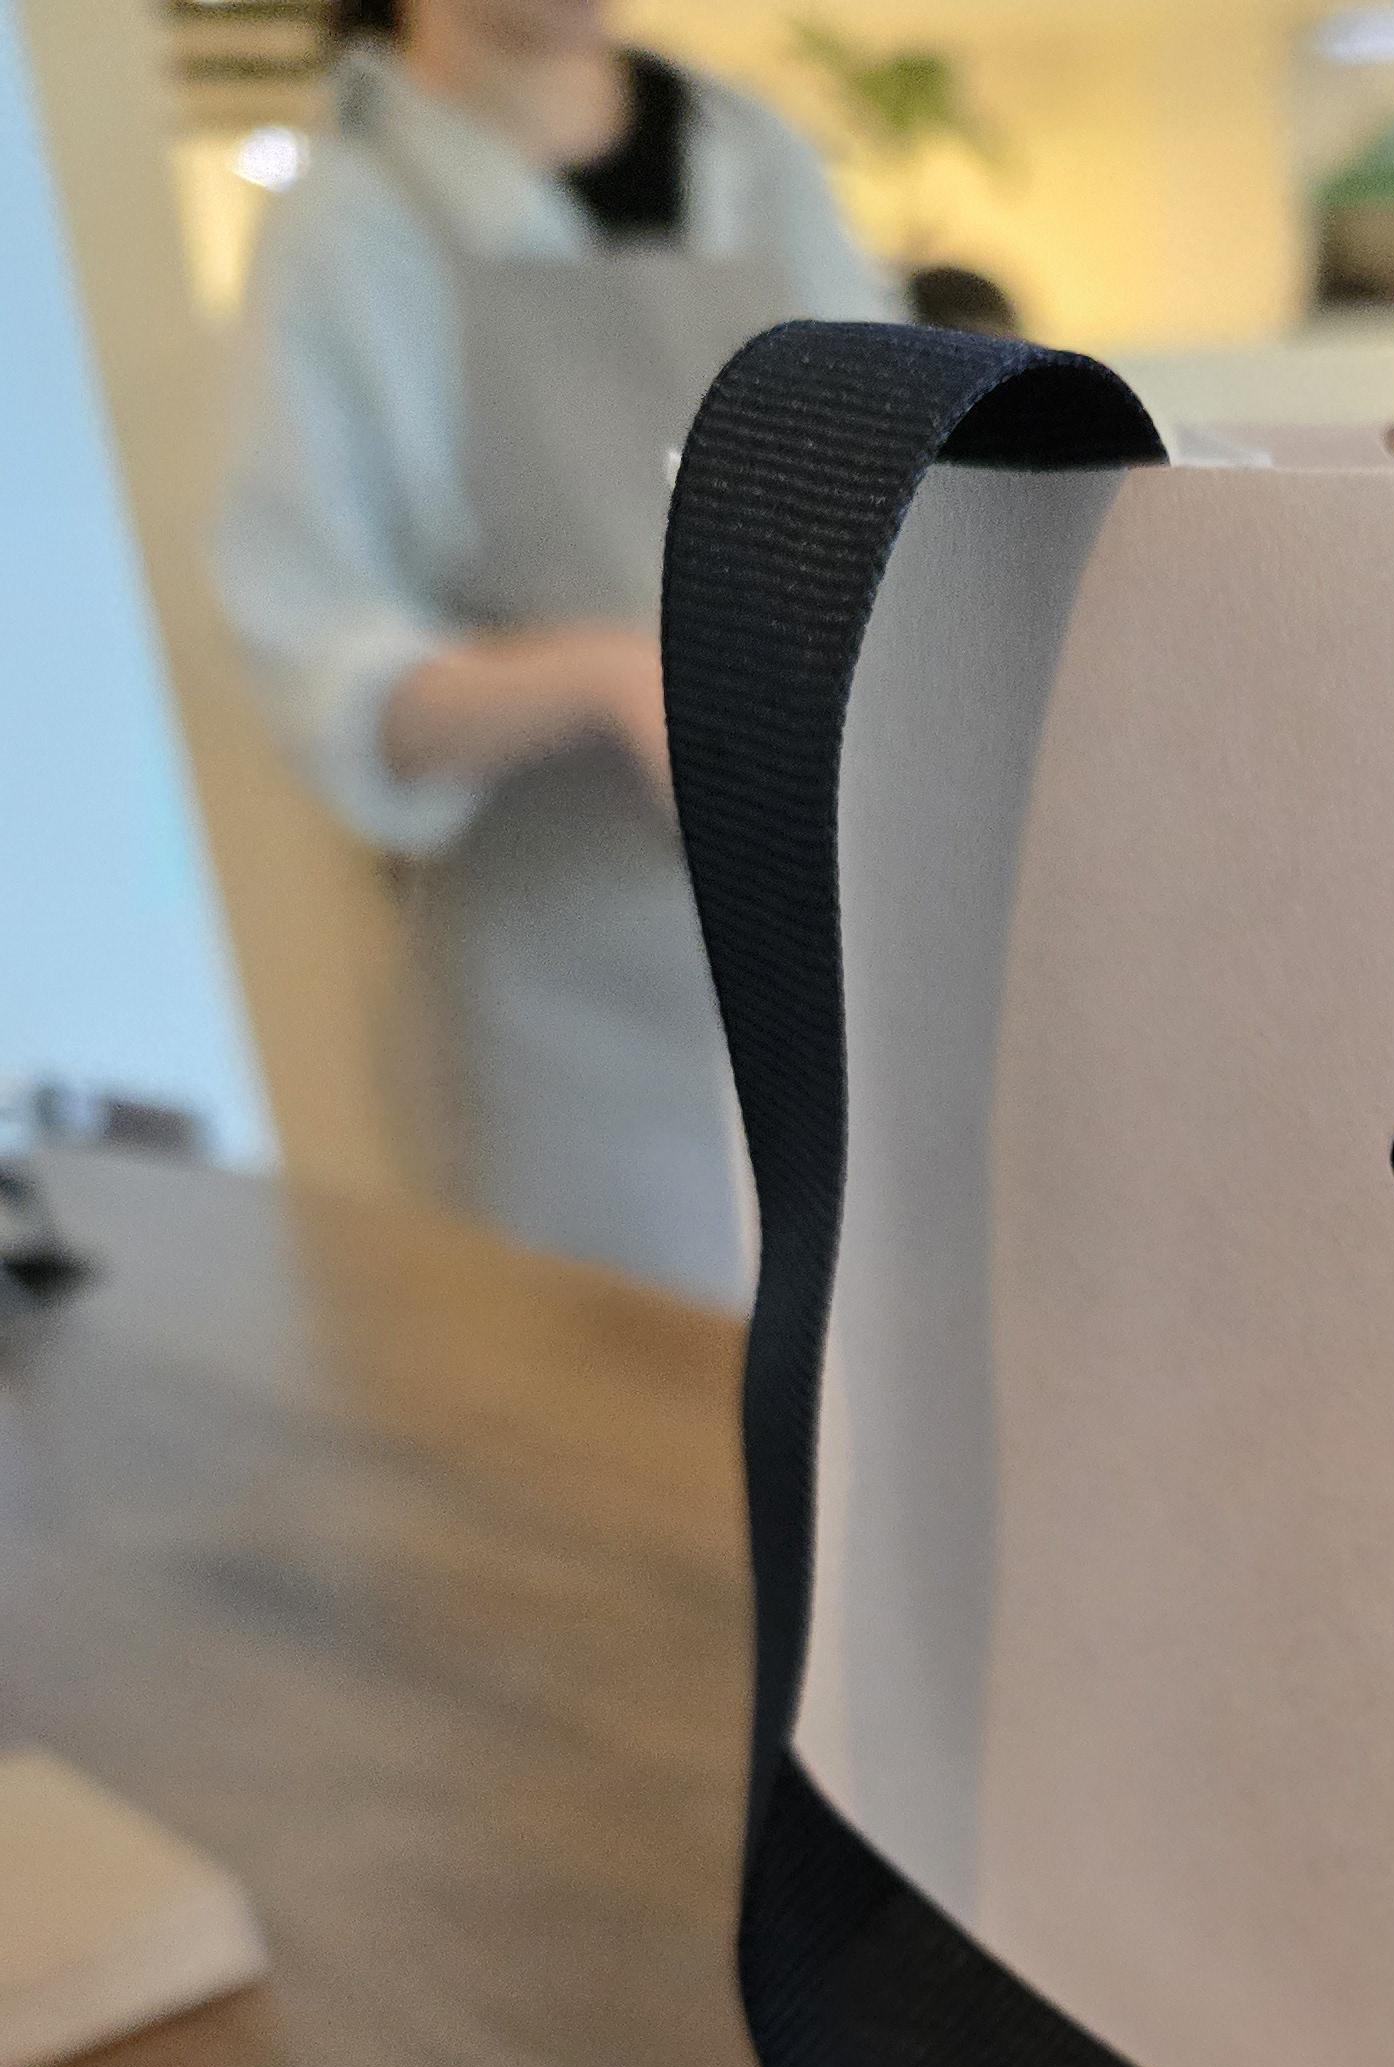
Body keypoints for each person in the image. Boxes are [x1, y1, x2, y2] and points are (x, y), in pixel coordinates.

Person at [217, 0, 898, 1300]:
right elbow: (319, 667)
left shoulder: (761, 161)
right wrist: (604, 677)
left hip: (841, 953)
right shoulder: (350, 225)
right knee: (613, 1399)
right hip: (563, 1019)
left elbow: (897, 496)